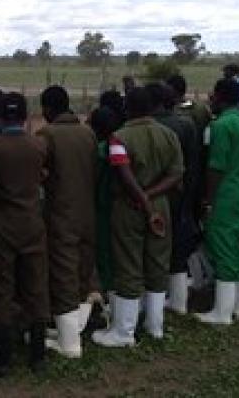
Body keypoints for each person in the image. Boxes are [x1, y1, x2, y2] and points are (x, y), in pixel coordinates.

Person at [92, 87, 183, 347]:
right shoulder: (169, 135)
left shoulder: (119, 138)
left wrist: (142, 199)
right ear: (153, 108)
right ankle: (155, 326)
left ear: (127, 109)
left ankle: (124, 332)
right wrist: (153, 200)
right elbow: (177, 174)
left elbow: (122, 171)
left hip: (129, 207)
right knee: (157, 262)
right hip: (161, 205)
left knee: (129, 263)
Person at [0, 92, 49, 376]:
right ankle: (38, 354)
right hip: (33, 223)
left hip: (2, 226)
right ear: (25, 117)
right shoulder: (39, 145)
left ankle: (3, 358)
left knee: (1, 289)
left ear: (0, 115)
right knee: (35, 287)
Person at [36, 85, 97, 359]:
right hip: (88, 213)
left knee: (63, 275)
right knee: (82, 272)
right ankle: (71, 328)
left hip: (61, 214)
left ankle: (70, 344)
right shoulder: (88, 132)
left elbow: (38, 174)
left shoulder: (46, 135)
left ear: (47, 109)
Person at [194, 79, 239, 324]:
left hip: (224, 193)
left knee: (223, 248)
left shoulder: (220, 126)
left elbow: (216, 166)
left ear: (220, 97)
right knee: (238, 245)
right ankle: (238, 305)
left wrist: (208, 199)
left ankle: (222, 312)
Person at [146, 83, 200, 315]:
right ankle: (179, 301)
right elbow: (194, 164)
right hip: (180, 193)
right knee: (178, 248)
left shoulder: (150, 126)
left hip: (151, 195)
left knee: (151, 248)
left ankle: (149, 305)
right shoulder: (187, 125)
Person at [89, 106, 125, 294]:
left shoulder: (102, 150)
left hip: (104, 206)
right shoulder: (121, 143)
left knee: (105, 254)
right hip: (121, 205)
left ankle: (110, 296)